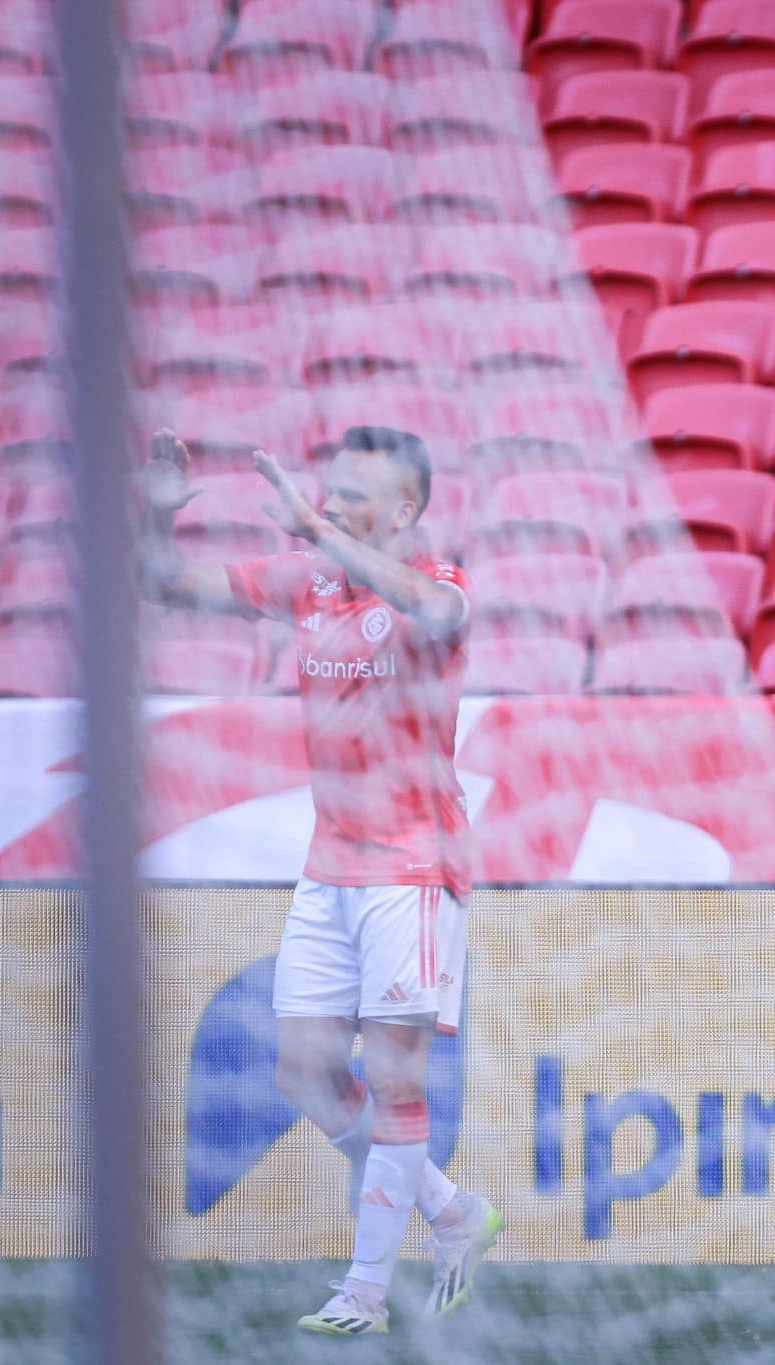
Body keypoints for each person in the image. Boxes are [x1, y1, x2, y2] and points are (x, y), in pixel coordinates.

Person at [138, 426, 498, 1337]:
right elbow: (166, 583)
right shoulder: (310, 580)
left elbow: (435, 614)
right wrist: (156, 515)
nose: (330, 502)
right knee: (302, 1070)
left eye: (352, 493)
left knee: (393, 1078)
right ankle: (451, 1212)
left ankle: (366, 1294)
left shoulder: (440, 586)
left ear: (406, 510)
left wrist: (311, 529)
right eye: (327, 490)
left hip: (415, 864)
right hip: (330, 861)